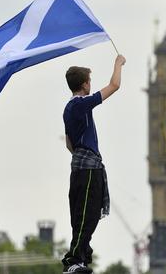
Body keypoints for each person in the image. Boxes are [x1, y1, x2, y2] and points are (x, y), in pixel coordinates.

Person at [62, 54, 126, 274]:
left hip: (78, 167)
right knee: (88, 215)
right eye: (89, 81)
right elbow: (114, 85)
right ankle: (74, 260)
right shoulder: (81, 104)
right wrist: (118, 63)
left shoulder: (68, 109)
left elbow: (69, 144)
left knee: (82, 215)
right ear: (84, 84)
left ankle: (81, 257)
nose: (91, 84)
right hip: (89, 168)